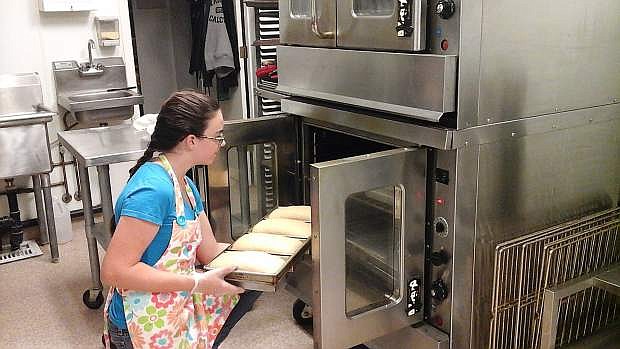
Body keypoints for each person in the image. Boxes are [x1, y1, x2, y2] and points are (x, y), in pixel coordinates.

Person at [101, 90, 259, 349]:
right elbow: (115, 271)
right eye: (217, 136)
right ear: (191, 141)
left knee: (250, 286)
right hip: (141, 324)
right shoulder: (153, 190)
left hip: (175, 308)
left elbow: (209, 252)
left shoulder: (185, 184)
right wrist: (197, 282)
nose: (222, 143)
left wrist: (265, 256)